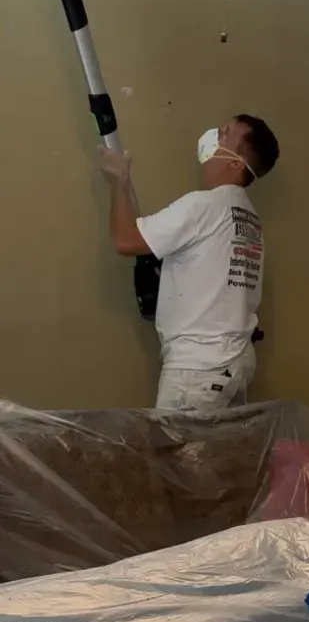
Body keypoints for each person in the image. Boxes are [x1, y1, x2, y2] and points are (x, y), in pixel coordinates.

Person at [99, 114, 279, 411]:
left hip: (198, 368)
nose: (213, 134)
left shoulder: (205, 206)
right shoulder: (247, 215)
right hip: (232, 361)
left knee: (175, 456)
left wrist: (119, 182)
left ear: (236, 162)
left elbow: (126, 241)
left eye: (223, 134)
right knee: (211, 454)